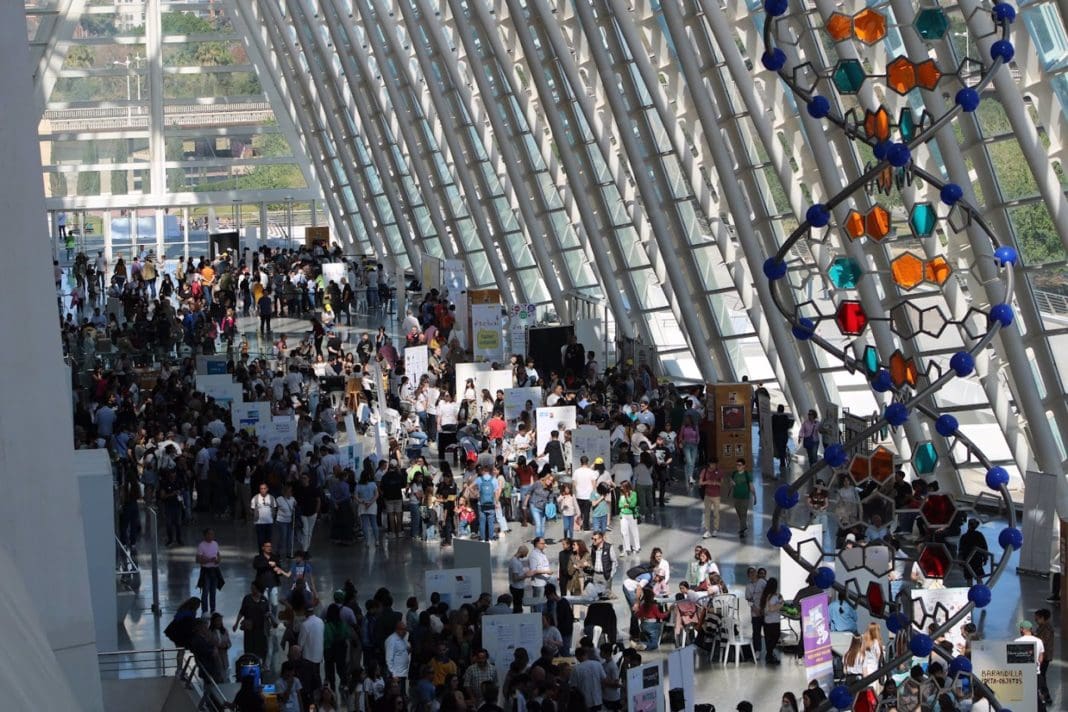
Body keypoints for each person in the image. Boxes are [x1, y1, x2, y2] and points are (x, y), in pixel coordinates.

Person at [195, 528, 222, 614]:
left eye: (212, 534)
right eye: (209, 534)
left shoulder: (215, 543)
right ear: (205, 535)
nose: (211, 536)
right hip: (206, 571)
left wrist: (218, 560)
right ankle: (205, 611)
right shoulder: (201, 545)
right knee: (205, 592)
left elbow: (218, 555)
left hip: (215, 570)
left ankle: (213, 609)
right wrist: (209, 560)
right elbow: (198, 560)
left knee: (213, 591)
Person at [959, 518, 989, 586]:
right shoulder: (979, 535)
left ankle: (970, 590)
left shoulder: (964, 537)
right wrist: (985, 557)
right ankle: (980, 590)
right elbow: (984, 547)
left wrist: (960, 560)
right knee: (978, 577)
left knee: (969, 579)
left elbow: (961, 550)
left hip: (967, 560)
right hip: (977, 560)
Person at [730, 458, 755, 537]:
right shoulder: (734, 473)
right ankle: (744, 525)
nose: (738, 466)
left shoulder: (747, 475)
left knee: (743, 513)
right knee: (739, 513)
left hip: (745, 497)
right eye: (737, 465)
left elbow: (751, 486)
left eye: (740, 465)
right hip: (736, 496)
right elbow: (731, 482)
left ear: (744, 466)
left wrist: (755, 496)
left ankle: (742, 530)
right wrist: (732, 483)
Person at [744, 567, 767, 655]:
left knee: (768, 631)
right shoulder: (748, 586)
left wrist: (763, 608)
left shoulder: (762, 582)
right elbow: (749, 600)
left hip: (765, 612)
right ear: (748, 575)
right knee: (756, 632)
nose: (752, 574)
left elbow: (768, 595)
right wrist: (755, 610)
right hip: (755, 613)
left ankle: (769, 651)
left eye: (754, 572)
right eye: (750, 572)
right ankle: (757, 650)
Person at [698, 458, 723, 538]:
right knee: (707, 513)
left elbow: (722, 483)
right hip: (707, 495)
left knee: (716, 513)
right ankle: (707, 530)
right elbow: (700, 483)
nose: (713, 466)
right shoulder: (704, 471)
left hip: (716, 496)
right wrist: (707, 482)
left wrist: (717, 483)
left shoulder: (720, 471)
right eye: (712, 464)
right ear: (709, 464)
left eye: (715, 464)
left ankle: (716, 529)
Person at [761, 577, 783, 664]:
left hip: (767, 621)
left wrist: (777, 605)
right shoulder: (775, 596)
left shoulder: (765, 595)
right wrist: (780, 604)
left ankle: (769, 656)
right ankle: (769, 656)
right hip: (774, 621)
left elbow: (766, 609)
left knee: (769, 640)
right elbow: (771, 608)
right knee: (775, 638)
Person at [385, 619, 411, 695]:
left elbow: (407, 650)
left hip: (403, 672)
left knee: (402, 692)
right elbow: (389, 658)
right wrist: (393, 674)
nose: (405, 632)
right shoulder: (391, 640)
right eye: (403, 629)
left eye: (405, 629)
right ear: (397, 630)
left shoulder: (403, 639)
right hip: (396, 673)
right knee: (397, 693)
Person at [1034, 609, 1054, 706]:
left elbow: (1042, 641)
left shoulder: (1047, 628)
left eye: (1037, 619)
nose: (1035, 620)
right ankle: (1044, 695)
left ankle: (1046, 696)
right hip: (1042, 655)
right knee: (1041, 676)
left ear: (1042, 618)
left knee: (1041, 677)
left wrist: (1032, 636)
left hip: (1044, 656)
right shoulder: (1042, 627)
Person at [527, 537, 553, 611]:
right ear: (536, 544)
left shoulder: (542, 553)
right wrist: (546, 571)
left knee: (544, 603)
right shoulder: (533, 555)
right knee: (538, 604)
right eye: (542, 543)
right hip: (538, 584)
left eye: (544, 543)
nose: (544, 545)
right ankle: (537, 616)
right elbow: (533, 571)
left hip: (545, 581)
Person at [251, 483, 276, 549]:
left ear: (267, 489)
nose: (263, 490)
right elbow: (252, 509)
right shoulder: (255, 498)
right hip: (259, 523)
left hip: (269, 522)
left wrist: (272, 517)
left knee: (268, 541)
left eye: (264, 488)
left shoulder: (271, 498)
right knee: (260, 540)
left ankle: (267, 553)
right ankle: (261, 553)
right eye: (261, 488)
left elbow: (274, 509)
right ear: (259, 490)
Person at [618, 480, 640, 554]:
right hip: (623, 515)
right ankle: (627, 548)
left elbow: (633, 504)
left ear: (626, 487)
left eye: (622, 487)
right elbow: (620, 505)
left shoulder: (634, 493)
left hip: (631, 515)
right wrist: (626, 505)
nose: (621, 488)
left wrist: (627, 497)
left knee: (634, 531)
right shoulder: (621, 494)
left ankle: (637, 547)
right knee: (624, 532)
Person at [771, 405, 794, 478]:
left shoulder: (774, 417)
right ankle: (783, 461)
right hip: (784, 435)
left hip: (777, 435)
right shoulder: (785, 417)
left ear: (777, 409)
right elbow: (788, 426)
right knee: (783, 448)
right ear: (783, 410)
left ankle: (782, 462)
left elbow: (772, 426)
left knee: (779, 448)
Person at [476, 467, 499, 542]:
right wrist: (496, 503)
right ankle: (490, 539)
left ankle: (482, 539)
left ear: (483, 471)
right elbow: (496, 493)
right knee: (491, 523)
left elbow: (473, 488)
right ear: (489, 471)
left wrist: (477, 496)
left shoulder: (479, 479)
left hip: (481, 504)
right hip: (491, 504)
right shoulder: (494, 480)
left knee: (482, 523)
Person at [509, 545, 531, 612]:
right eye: (525, 554)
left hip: (518, 587)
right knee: (518, 607)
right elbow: (515, 578)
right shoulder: (515, 562)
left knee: (518, 605)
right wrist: (526, 575)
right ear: (522, 552)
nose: (526, 556)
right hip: (517, 588)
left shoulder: (516, 560)